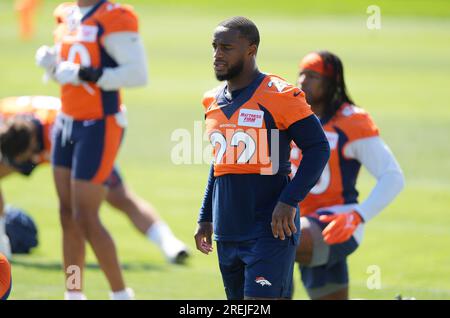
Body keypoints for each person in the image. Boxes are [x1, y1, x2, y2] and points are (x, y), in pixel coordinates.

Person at [194, 17, 330, 300]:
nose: (217, 54)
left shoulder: (279, 94)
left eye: (227, 47)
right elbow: (220, 163)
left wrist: (289, 200)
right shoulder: (212, 100)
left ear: (250, 50)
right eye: (215, 47)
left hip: (270, 230)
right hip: (227, 229)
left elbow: (318, 148)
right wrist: (206, 215)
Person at [35, 0, 149, 299]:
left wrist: (87, 73)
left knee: (86, 215)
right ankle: (74, 293)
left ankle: (120, 294)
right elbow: (69, 67)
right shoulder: (66, 13)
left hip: (100, 123)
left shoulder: (115, 16)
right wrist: (53, 65)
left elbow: (137, 74)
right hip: (66, 120)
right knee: (66, 213)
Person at [0, 96, 189, 265]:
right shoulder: (6, 122)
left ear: (33, 145)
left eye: (29, 156)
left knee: (117, 197)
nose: (32, 161)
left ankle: (169, 244)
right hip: (25, 139)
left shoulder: (59, 130)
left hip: (82, 141)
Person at [291, 51, 405, 300]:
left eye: (312, 76)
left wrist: (358, 216)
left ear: (331, 82)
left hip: (338, 222)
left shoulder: (352, 121)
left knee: (274, 240)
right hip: (299, 219)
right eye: (301, 74)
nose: (302, 81)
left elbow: (393, 176)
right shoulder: (293, 115)